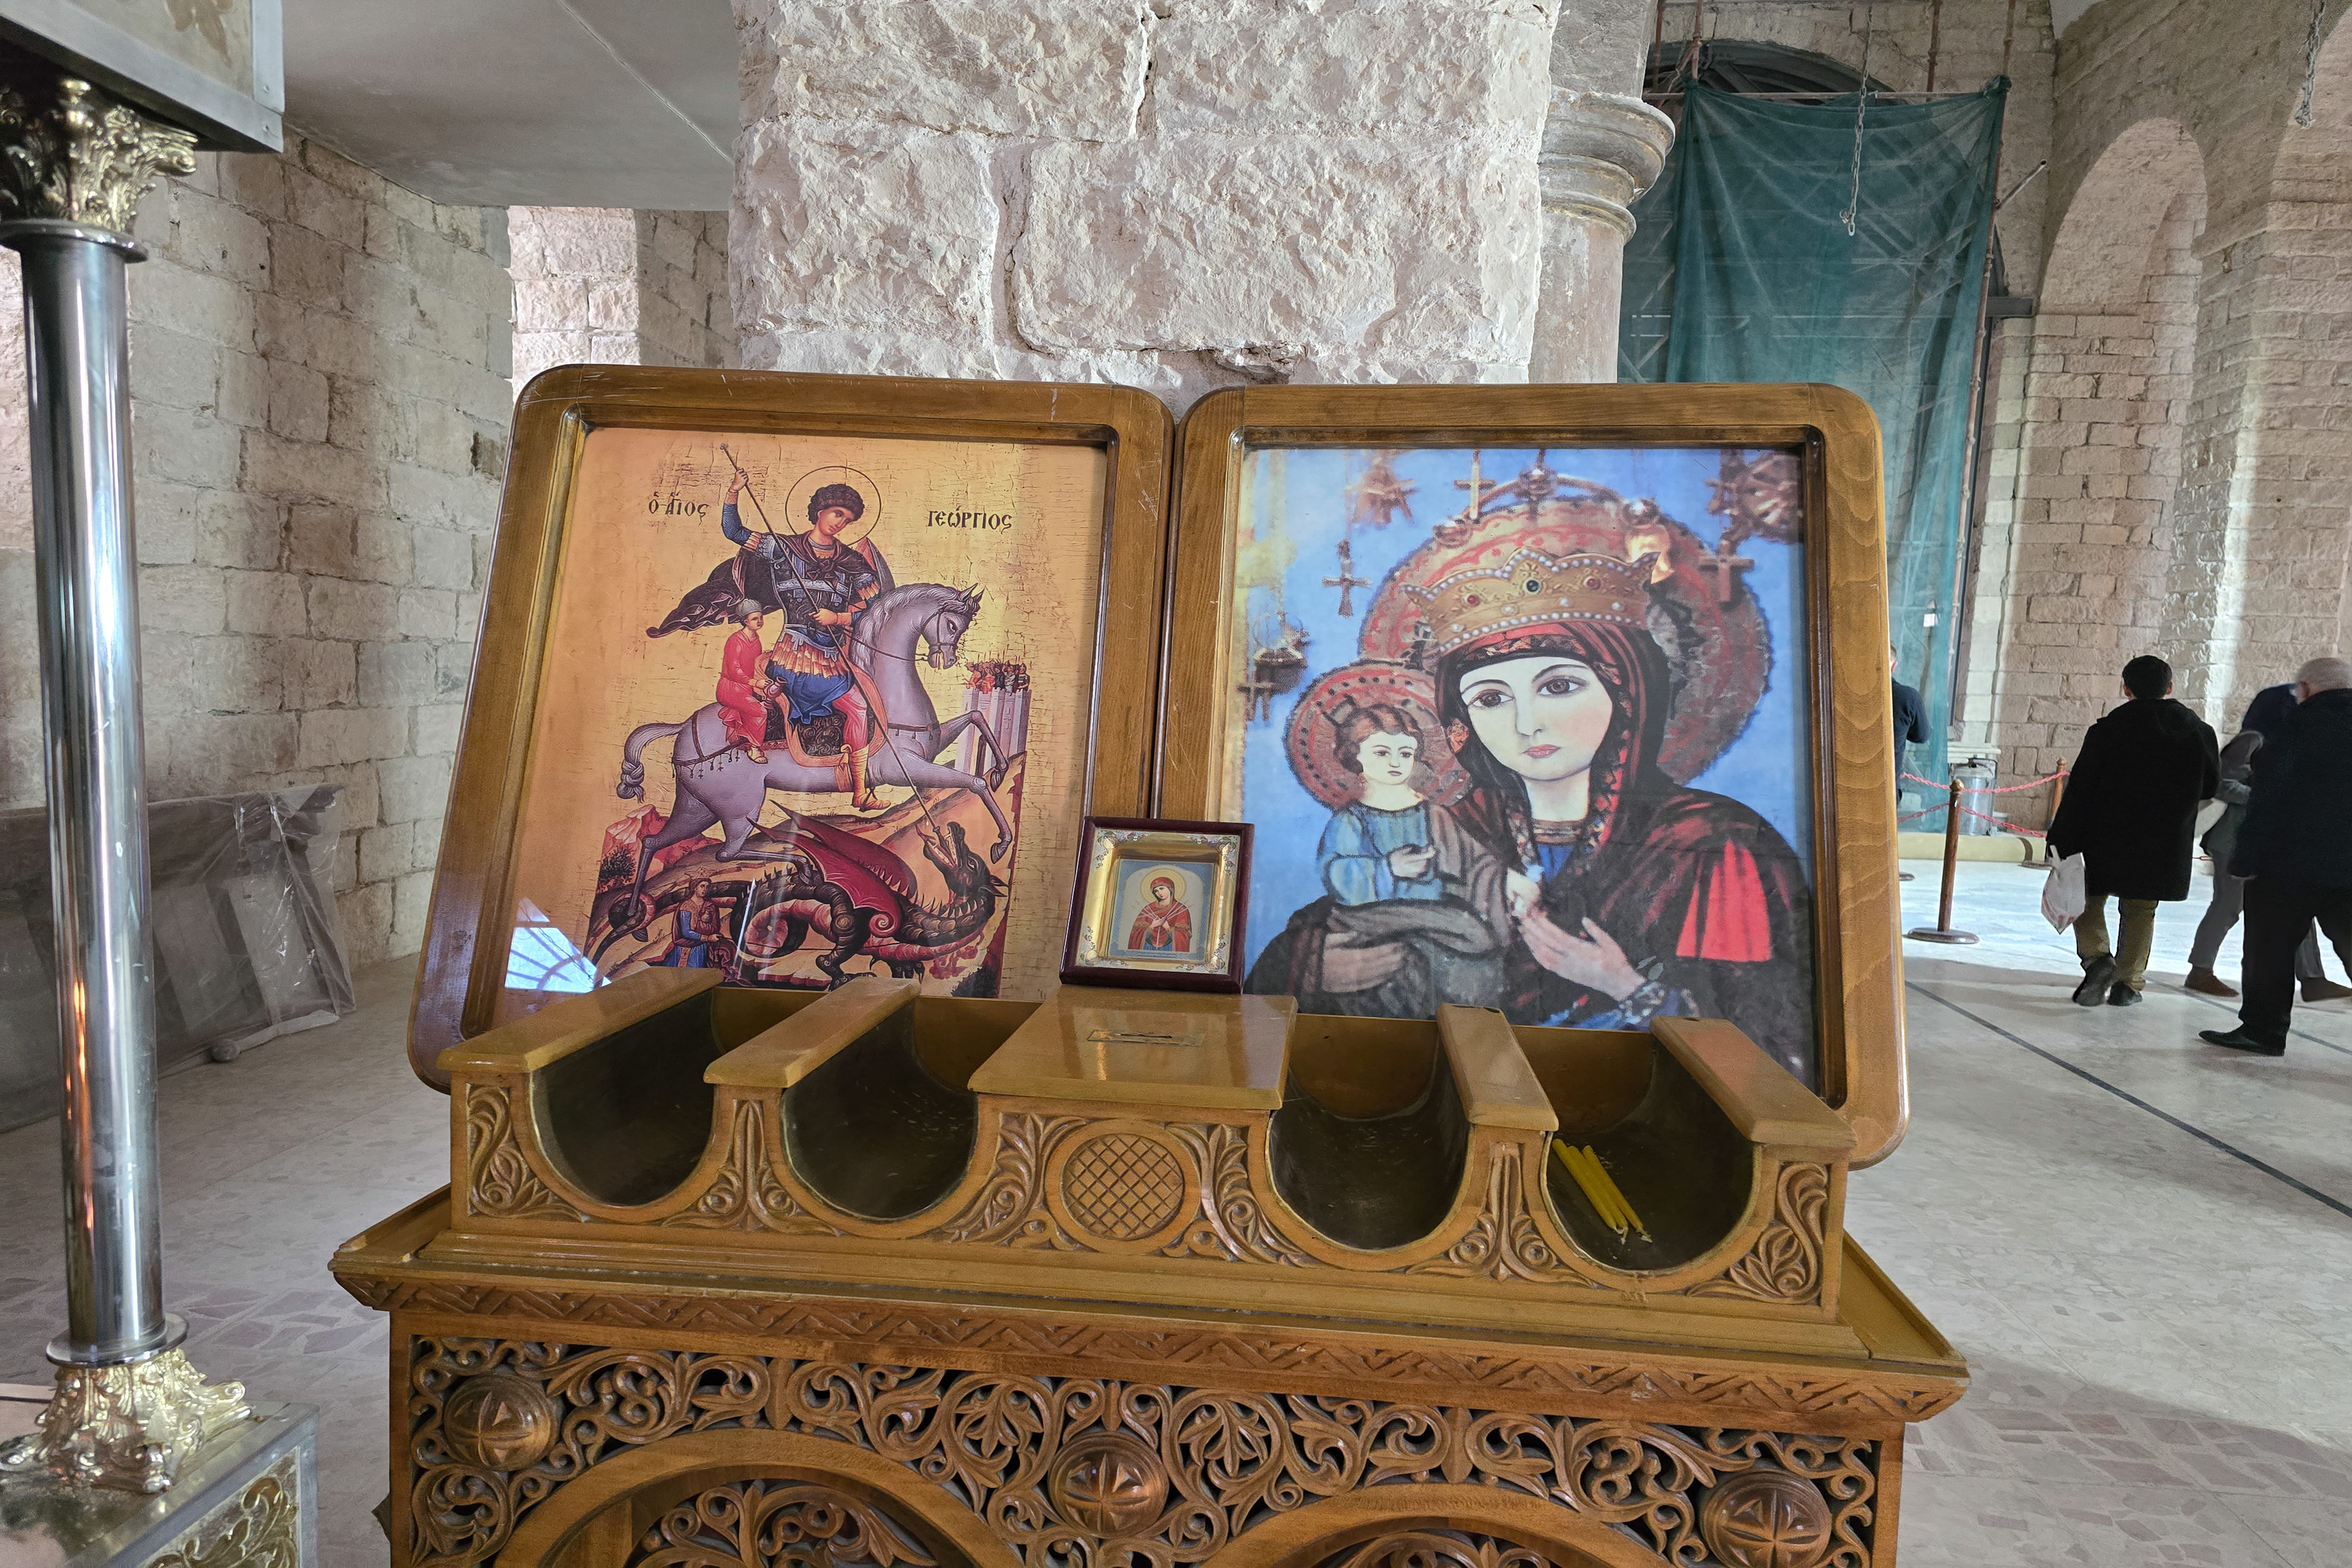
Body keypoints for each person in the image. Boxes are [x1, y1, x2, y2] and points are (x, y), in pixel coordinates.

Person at [2047, 655, 2221, 1007]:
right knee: (2141, 908)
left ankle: (2098, 959)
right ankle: (2128, 985)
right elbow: (2211, 787)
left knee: (2088, 897)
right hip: (2164, 838)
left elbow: (2081, 789)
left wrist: (2061, 837)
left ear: (2126, 689)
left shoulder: (2107, 731)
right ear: (2170, 687)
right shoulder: (2199, 733)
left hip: (2106, 834)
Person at [2200, 657, 2352, 1056]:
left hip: (2289, 864)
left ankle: (2263, 1031)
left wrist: (2247, 858)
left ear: (2307, 689)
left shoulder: (2296, 728)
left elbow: (2271, 800)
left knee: (2269, 951)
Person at [724, 471, 888, 808]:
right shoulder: (782, 548)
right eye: (837, 514)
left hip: (832, 658)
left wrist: (838, 618)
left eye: (848, 520)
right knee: (855, 705)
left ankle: (860, 792)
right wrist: (734, 492)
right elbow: (734, 531)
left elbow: (877, 609)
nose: (840, 523)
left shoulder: (852, 563)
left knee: (860, 708)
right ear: (820, 511)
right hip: (795, 655)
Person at [2183, 732, 2347, 998]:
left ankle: (2313, 979)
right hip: (2234, 841)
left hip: (2275, 844)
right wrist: (2267, 798)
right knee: (2228, 906)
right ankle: (2200, 970)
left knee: (2297, 907)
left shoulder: (2298, 743)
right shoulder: (2254, 739)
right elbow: (2222, 785)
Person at [1316, 702, 1451, 905]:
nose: (1395, 763)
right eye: (1382, 753)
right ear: (1355, 755)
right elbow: (1335, 873)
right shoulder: (1351, 819)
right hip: (1373, 915)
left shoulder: (1435, 815)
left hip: (1435, 913)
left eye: (1405, 754)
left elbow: (1467, 869)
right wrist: (1389, 868)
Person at [714, 599, 772, 764]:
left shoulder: (756, 640)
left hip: (746, 687)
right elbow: (734, 671)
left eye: (761, 618)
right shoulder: (736, 640)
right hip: (731, 688)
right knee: (760, 712)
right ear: (745, 621)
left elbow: (754, 666)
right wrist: (755, 683)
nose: (759, 621)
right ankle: (755, 748)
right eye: (755, 619)